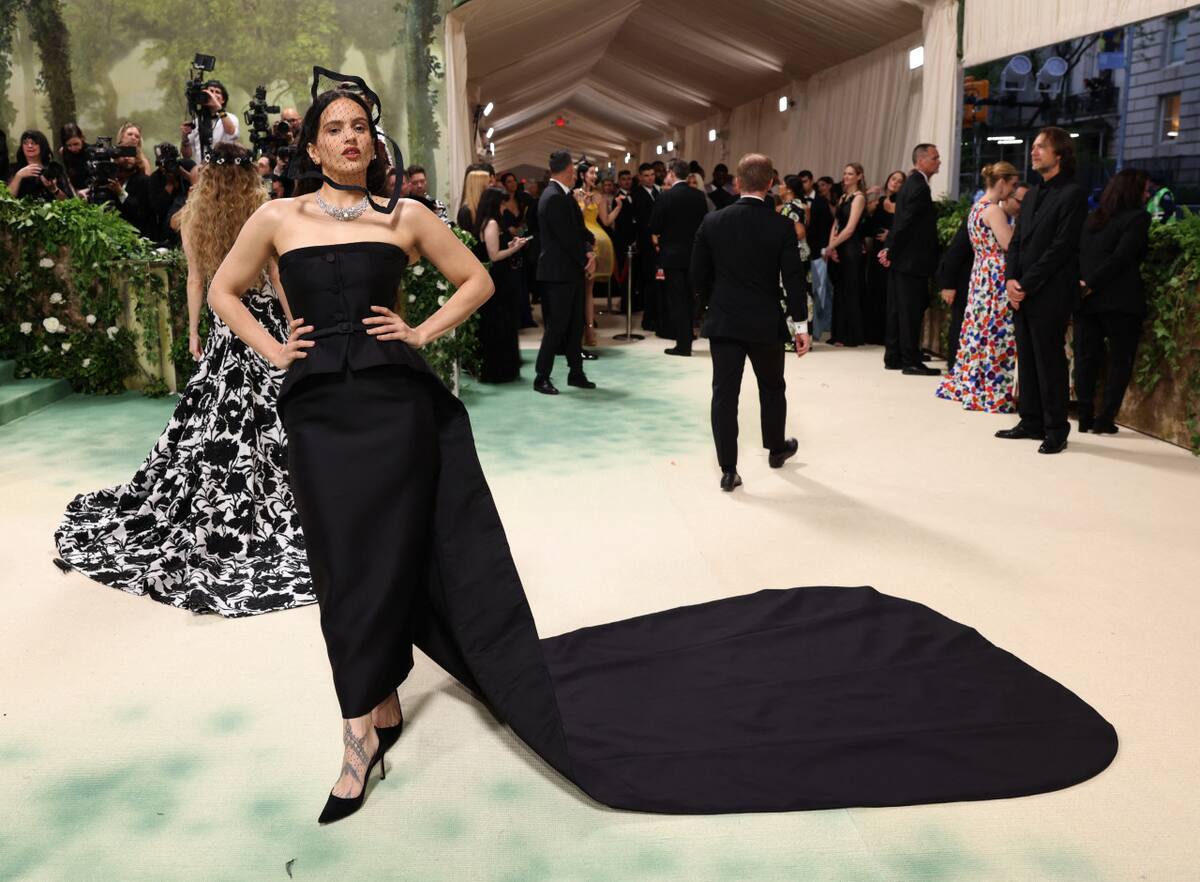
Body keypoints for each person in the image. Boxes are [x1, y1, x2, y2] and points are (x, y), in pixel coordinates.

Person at [202, 78, 1117, 824]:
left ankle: (363, 724)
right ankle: (373, 698)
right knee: (344, 558)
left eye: (362, 126)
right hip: (319, 412)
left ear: (374, 142)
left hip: (399, 409)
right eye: (336, 128)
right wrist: (276, 345)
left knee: (399, 549)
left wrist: (420, 331)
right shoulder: (277, 217)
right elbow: (225, 293)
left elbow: (478, 280)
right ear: (313, 146)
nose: (351, 138)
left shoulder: (402, 218)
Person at [54, 141, 309, 617]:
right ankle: (280, 492)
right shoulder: (263, 212)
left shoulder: (194, 220)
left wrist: (194, 330)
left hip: (225, 326)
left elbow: (197, 280)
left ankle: (228, 487)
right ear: (247, 174)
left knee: (218, 414)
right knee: (274, 408)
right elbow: (275, 275)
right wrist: (292, 321)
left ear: (207, 176)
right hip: (262, 322)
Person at [691, 152, 809, 491]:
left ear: (737, 182)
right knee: (772, 387)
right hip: (765, 321)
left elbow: (697, 275)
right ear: (771, 182)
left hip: (725, 319)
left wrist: (712, 303)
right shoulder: (783, 225)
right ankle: (776, 448)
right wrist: (800, 326)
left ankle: (728, 470)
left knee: (724, 394)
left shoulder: (712, 222)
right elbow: (794, 278)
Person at [997, 126, 1088, 454]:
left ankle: (1056, 429)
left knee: (1050, 361)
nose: (1033, 152)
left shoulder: (1073, 194)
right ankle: (1031, 420)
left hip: (1050, 290)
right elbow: (1017, 241)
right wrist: (1010, 279)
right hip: (1021, 291)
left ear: (1059, 154)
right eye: (1033, 147)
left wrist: (1026, 283)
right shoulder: (1032, 193)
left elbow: (1062, 247)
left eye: (1041, 147)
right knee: (1028, 359)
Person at [936, 162, 1020, 412]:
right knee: (995, 332)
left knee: (979, 330)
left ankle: (975, 383)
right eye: (1013, 185)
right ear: (1002, 182)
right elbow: (1008, 244)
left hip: (980, 273)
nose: (1014, 191)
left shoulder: (977, 207)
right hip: (994, 274)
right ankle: (992, 389)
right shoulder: (994, 210)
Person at [1074, 168, 1152, 434]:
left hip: (1087, 299)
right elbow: (1122, 257)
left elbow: (1079, 255)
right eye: (1144, 189)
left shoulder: (1092, 219)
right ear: (1133, 191)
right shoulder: (1138, 218)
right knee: (1120, 360)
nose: (1148, 193)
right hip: (1121, 299)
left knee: (1086, 358)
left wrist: (1085, 285)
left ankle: (1084, 417)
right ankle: (1105, 419)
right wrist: (1093, 284)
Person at [533, 149, 596, 394]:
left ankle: (576, 372)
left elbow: (580, 231)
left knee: (575, 324)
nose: (575, 174)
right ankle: (541, 377)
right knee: (557, 327)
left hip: (570, 270)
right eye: (574, 170)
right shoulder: (553, 197)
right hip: (558, 273)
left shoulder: (564, 195)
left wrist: (589, 248)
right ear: (569, 170)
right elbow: (567, 238)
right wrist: (585, 257)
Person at [880, 144, 942, 375]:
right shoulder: (918, 186)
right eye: (935, 158)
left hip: (903, 260)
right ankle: (910, 361)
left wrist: (890, 250)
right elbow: (906, 224)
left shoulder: (911, 184)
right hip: (911, 261)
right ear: (921, 160)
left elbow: (901, 222)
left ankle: (894, 356)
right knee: (910, 311)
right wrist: (891, 250)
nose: (939, 161)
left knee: (898, 310)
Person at [649, 158, 709, 356]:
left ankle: (683, 344)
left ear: (672, 174)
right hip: (693, 254)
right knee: (692, 298)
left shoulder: (665, 197)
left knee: (677, 299)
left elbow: (655, 226)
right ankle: (688, 337)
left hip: (672, 255)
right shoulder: (699, 197)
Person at [474, 186, 531, 383]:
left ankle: (503, 368)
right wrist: (515, 249)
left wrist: (511, 246)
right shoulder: (491, 224)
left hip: (499, 279)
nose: (504, 207)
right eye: (502, 203)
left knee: (501, 323)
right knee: (500, 324)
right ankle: (500, 369)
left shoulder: (488, 223)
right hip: (498, 280)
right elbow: (494, 256)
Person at [574, 159, 618, 347]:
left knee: (589, 290)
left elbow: (606, 221)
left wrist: (618, 208)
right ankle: (578, 329)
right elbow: (575, 219)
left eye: (595, 173)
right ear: (582, 175)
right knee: (578, 289)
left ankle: (590, 330)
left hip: (595, 240)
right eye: (591, 172)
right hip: (578, 239)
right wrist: (583, 205)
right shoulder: (574, 194)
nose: (594, 176)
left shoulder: (598, 196)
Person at [825, 163, 868, 347]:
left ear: (859, 176)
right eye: (844, 173)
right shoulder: (843, 197)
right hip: (839, 246)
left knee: (850, 289)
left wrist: (832, 246)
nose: (846, 176)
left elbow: (850, 229)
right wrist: (831, 246)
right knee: (839, 290)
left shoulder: (859, 198)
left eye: (850, 173)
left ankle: (852, 335)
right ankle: (839, 334)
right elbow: (836, 224)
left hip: (851, 247)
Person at [865, 171, 905, 345]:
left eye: (899, 181)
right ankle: (873, 333)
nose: (895, 183)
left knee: (888, 292)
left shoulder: (902, 204)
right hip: (876, 250)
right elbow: (864, 222)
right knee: (875, 289)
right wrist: (868, 194)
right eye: (893, 179)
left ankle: (887, 335)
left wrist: (890, 234)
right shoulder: (878, 202)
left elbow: (903, 226)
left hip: (892, 251)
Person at [631, 162, 661, 329]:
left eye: (652, 174)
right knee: (649, 281)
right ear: (640, 178)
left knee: (656, 281)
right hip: (646, 243)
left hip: (657, 242)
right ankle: (648, 319)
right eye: (646, 175)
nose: (650, 178)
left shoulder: (658, 191)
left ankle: (656, 315)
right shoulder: (637, 195)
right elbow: (642, 222)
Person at [805, 174, 835, 341]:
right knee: (814, 291)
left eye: (806, 181)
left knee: (821, 291)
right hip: (808, 252)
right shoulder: (802, 202)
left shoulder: (821, 202)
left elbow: (828, 226)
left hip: (819, 252)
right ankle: (815, 328)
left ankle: (821, 328)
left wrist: (826, 248)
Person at [180, 80, 240, 162]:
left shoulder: (231, 118)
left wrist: (218, 108)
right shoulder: (197, 122)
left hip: (224, 169)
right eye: (210, 91)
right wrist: (184, 138)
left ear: (223, 100)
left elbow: (232, 133)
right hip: (202, 170)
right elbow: (187, 155)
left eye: (217, 92)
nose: (213, 95)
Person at [7, 130, 71, 200]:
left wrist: (54, 190)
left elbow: (68, 201)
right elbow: (7, 199)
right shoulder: (13, 169)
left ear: (42, 145)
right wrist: (18, 176)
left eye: (34, 143)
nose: (29, 146)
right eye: (25, 143)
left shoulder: (55, 168)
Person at [59, 122, 89, 192]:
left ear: (82, 138)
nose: (73, 148)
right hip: (76, 192)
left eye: (76, 144)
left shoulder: (91, 152)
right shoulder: (64, 151)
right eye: (69, 145)